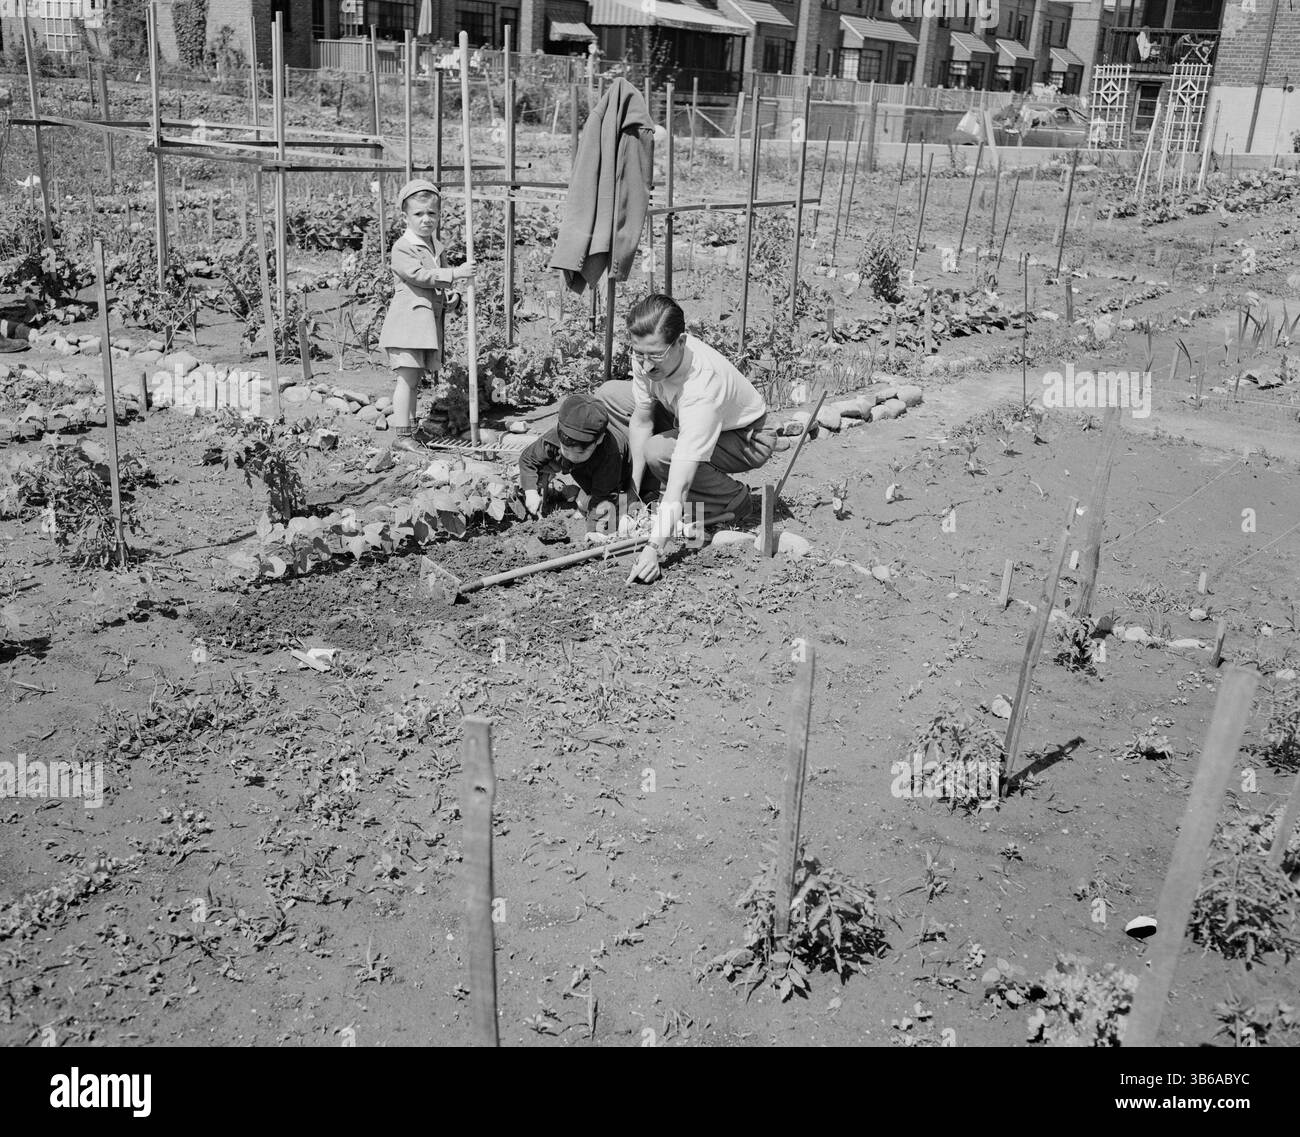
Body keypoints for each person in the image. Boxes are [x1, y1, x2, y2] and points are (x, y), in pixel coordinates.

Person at [593, 294, 776, 584]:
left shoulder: (702, 387)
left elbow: (680, 486)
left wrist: (654, 548)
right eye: (639, 354)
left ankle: (734, 499)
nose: (647, 366)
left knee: (659, 451)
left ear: (681, 342)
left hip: (743, 438)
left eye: (655, 356)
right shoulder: (648, 354)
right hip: (681, 413)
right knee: (608, 396)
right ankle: (652, 490)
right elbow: (641, 419)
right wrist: (632, 490)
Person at [377, 179, 475, 452]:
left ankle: (411, 429)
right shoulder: (403, 247)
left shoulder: (436, 247)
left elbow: (437, 287)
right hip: (407, 325)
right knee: (407, 379)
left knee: (414, 379)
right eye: (419, 214)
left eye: (432, 213)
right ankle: (402, 435)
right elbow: (419, 276)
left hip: (424, 326)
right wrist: (455, 273)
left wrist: (452, 297)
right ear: (405, 217)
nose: (426, 220)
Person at [517, 393, 628, 529]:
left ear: (599, 440)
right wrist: (530, 492)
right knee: (583, 500)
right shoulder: (555, 436)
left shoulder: (610, 453)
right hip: (585, 472)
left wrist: (592, 529)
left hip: (616, 483)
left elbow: (604, 496)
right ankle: (580, 498)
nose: (571, 456)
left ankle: (584, 500)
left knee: (613, 511)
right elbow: (528, 459)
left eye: (580, 453)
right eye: (565, 449)